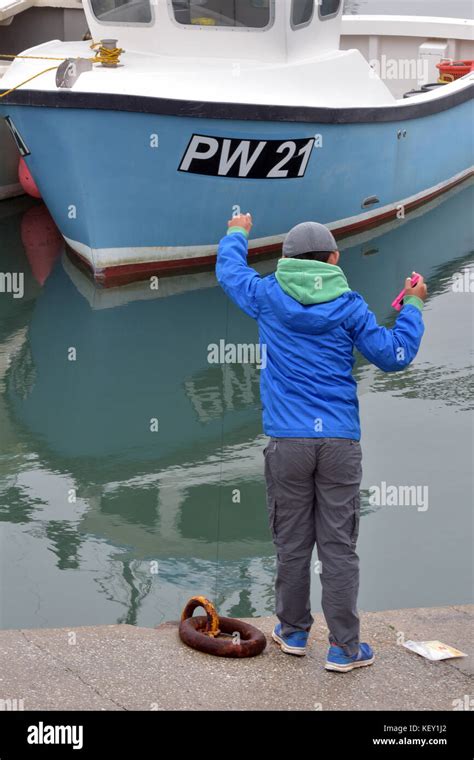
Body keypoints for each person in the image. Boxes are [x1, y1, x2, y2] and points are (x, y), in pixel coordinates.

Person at [216, 212, 427, 672]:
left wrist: (237, 232)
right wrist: (412, 305)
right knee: (338, 547)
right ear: (334, 259)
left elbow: (230, 272)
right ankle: (345, 649)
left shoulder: (267, 295)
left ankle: (292, 632)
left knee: (291, 543)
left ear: (286, 260)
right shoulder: (350, 307)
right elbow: (395, 355)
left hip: (287, 443)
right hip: (339, 444)